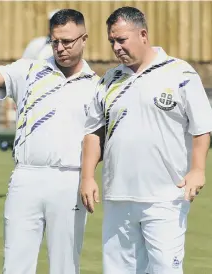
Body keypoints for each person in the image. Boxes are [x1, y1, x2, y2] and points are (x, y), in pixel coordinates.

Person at [80, 6, 212, 274]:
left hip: (165, 196)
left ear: (143, 34)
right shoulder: (110, 79)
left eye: (121, 40)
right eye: (111, 41)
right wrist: (87, 176)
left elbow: (202, 126)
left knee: (165, 269)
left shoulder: (180, 73)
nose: (116, 47)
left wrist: (198, 169)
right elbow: (94, 131)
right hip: (118, 195)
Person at [0, 9, 99, 274]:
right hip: (26, 176)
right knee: (15, 265)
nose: (60, 48)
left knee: (65, 266)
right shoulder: (30, 69)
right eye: (55, 41)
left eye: (67, 41)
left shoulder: (97, 85)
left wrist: (88, 177)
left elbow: (95, 138)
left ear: (84, 39)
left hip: (69, 179)